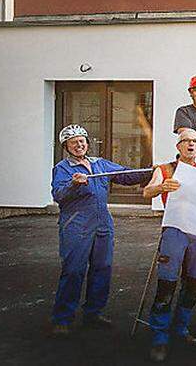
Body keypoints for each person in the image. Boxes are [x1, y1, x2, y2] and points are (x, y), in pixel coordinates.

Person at [49, 124, 151, 336]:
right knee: (74, 270)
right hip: (76, 225)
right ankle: (62, 318)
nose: (79, 144)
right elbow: (58, 195)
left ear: (88, 142)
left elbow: (125, 175)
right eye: (73, 142)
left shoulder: (100, 164)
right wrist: (73, 185)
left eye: (82, 140)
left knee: (102, 268)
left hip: (103, 223)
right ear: (66, 146)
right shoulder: (63, 168)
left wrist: (152, 171)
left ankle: (93, 314)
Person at [142, 130, 196, 362]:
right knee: (166, 286)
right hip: (173, 232)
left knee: (193, 285)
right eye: (187, 141)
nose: (191, 145)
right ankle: (159, 337)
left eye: (195, 142)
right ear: (179, 145)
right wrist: (161, 188)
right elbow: (146, 191)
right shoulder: (165, 169)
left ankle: (181, 330)